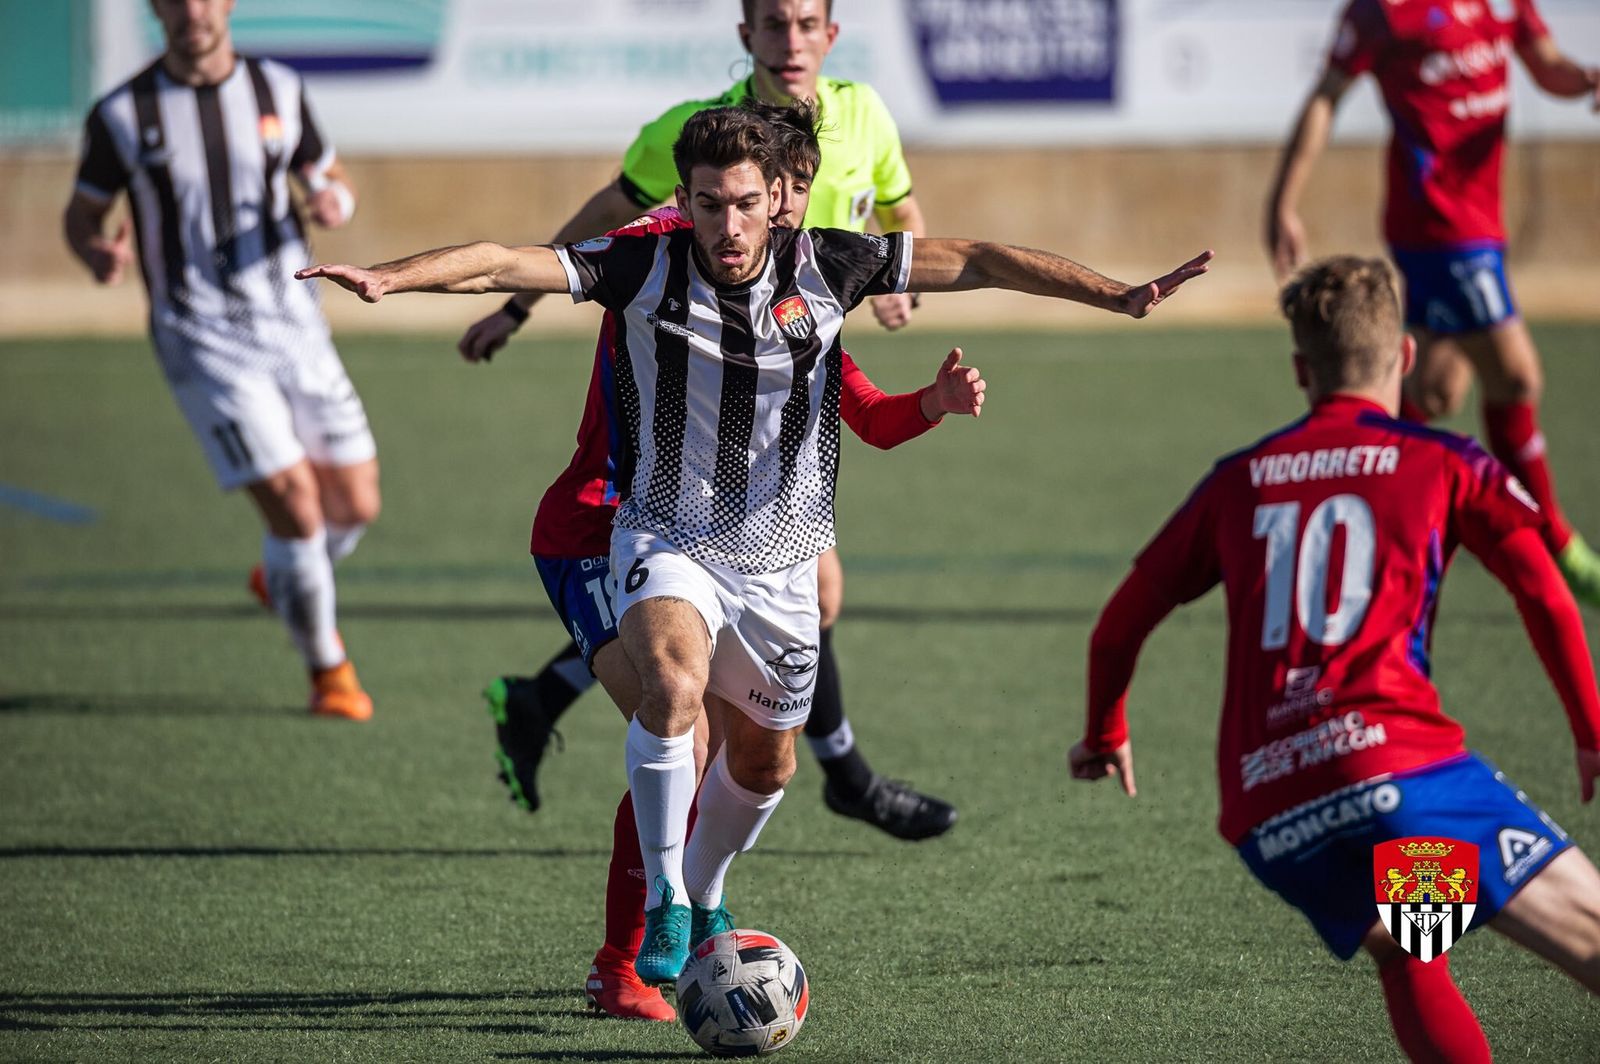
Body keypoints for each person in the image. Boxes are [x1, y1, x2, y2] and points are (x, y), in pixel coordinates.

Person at [298, 105, 1212, 985]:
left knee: (767, 761)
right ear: (685, 201)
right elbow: (506, 259)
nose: (727, 225)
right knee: (674, 692)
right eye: (708, 204)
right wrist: (390, 277)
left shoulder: (831, 267)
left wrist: (1115, 294)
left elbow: (974, 259)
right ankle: (664, 900)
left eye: (744, 203)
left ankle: (705, 892)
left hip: (782, 562)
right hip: (666, 535)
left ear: (777, 197)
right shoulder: (643, 265)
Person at [510, 101, 988, 1022]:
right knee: (682, 727)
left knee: (747, 755)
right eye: (780, 193)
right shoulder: (664, 249)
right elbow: (558, 251)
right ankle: (627, 955)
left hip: (720, 544)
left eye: (799, 194)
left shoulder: (793, 296)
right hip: (598, 520)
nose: (787, 214)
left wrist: (931, 402)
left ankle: (686, 888)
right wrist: (504, 301)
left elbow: (864, 409)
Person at [1070, 256, 1600, 1062]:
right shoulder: (1445, 461)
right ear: (1407, 357)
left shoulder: (1239, 480)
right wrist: (1590, 731)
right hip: (1400, 775)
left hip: (1272, 804)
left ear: (1300, 370)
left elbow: (1116, 629)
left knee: (1412, 941)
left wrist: (1105, 731)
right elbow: (1546, 595)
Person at [465, 0, 952, 837]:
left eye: (807, 23)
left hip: (791, 365)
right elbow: (595, 233)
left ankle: (561, 708)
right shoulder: (692, 143)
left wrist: (897, 286)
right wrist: (515, 306)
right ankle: (826, 787)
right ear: (745, 35)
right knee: (701, 710)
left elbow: (903, 220)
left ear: (831, 35)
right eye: (775, 23)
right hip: (690, 421)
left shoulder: (865, 115)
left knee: (746, 652)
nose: (791, 40)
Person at [63, 0, 378, 720]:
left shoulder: (278, 89)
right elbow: (82, 215)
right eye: (175, 0)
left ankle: (286, 578)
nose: (193, 12)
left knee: (356, 504)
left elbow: (329, 176)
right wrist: (96, 252)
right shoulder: (123, 114)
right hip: (201, 336)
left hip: (295, 324)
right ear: (156, 9)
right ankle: (328, 671)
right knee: (295, 504)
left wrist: (335, 201)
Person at [1265, 0, 1600, 606]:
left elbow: (1546, 65)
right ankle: (1556, 543)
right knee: (1517, 377)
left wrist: (1585, 80)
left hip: (1482, 222)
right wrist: (1283, 201)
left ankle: (1363, 506)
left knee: (1436, 391)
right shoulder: (1385, 11)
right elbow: (1326, 96)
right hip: (1439, 227)